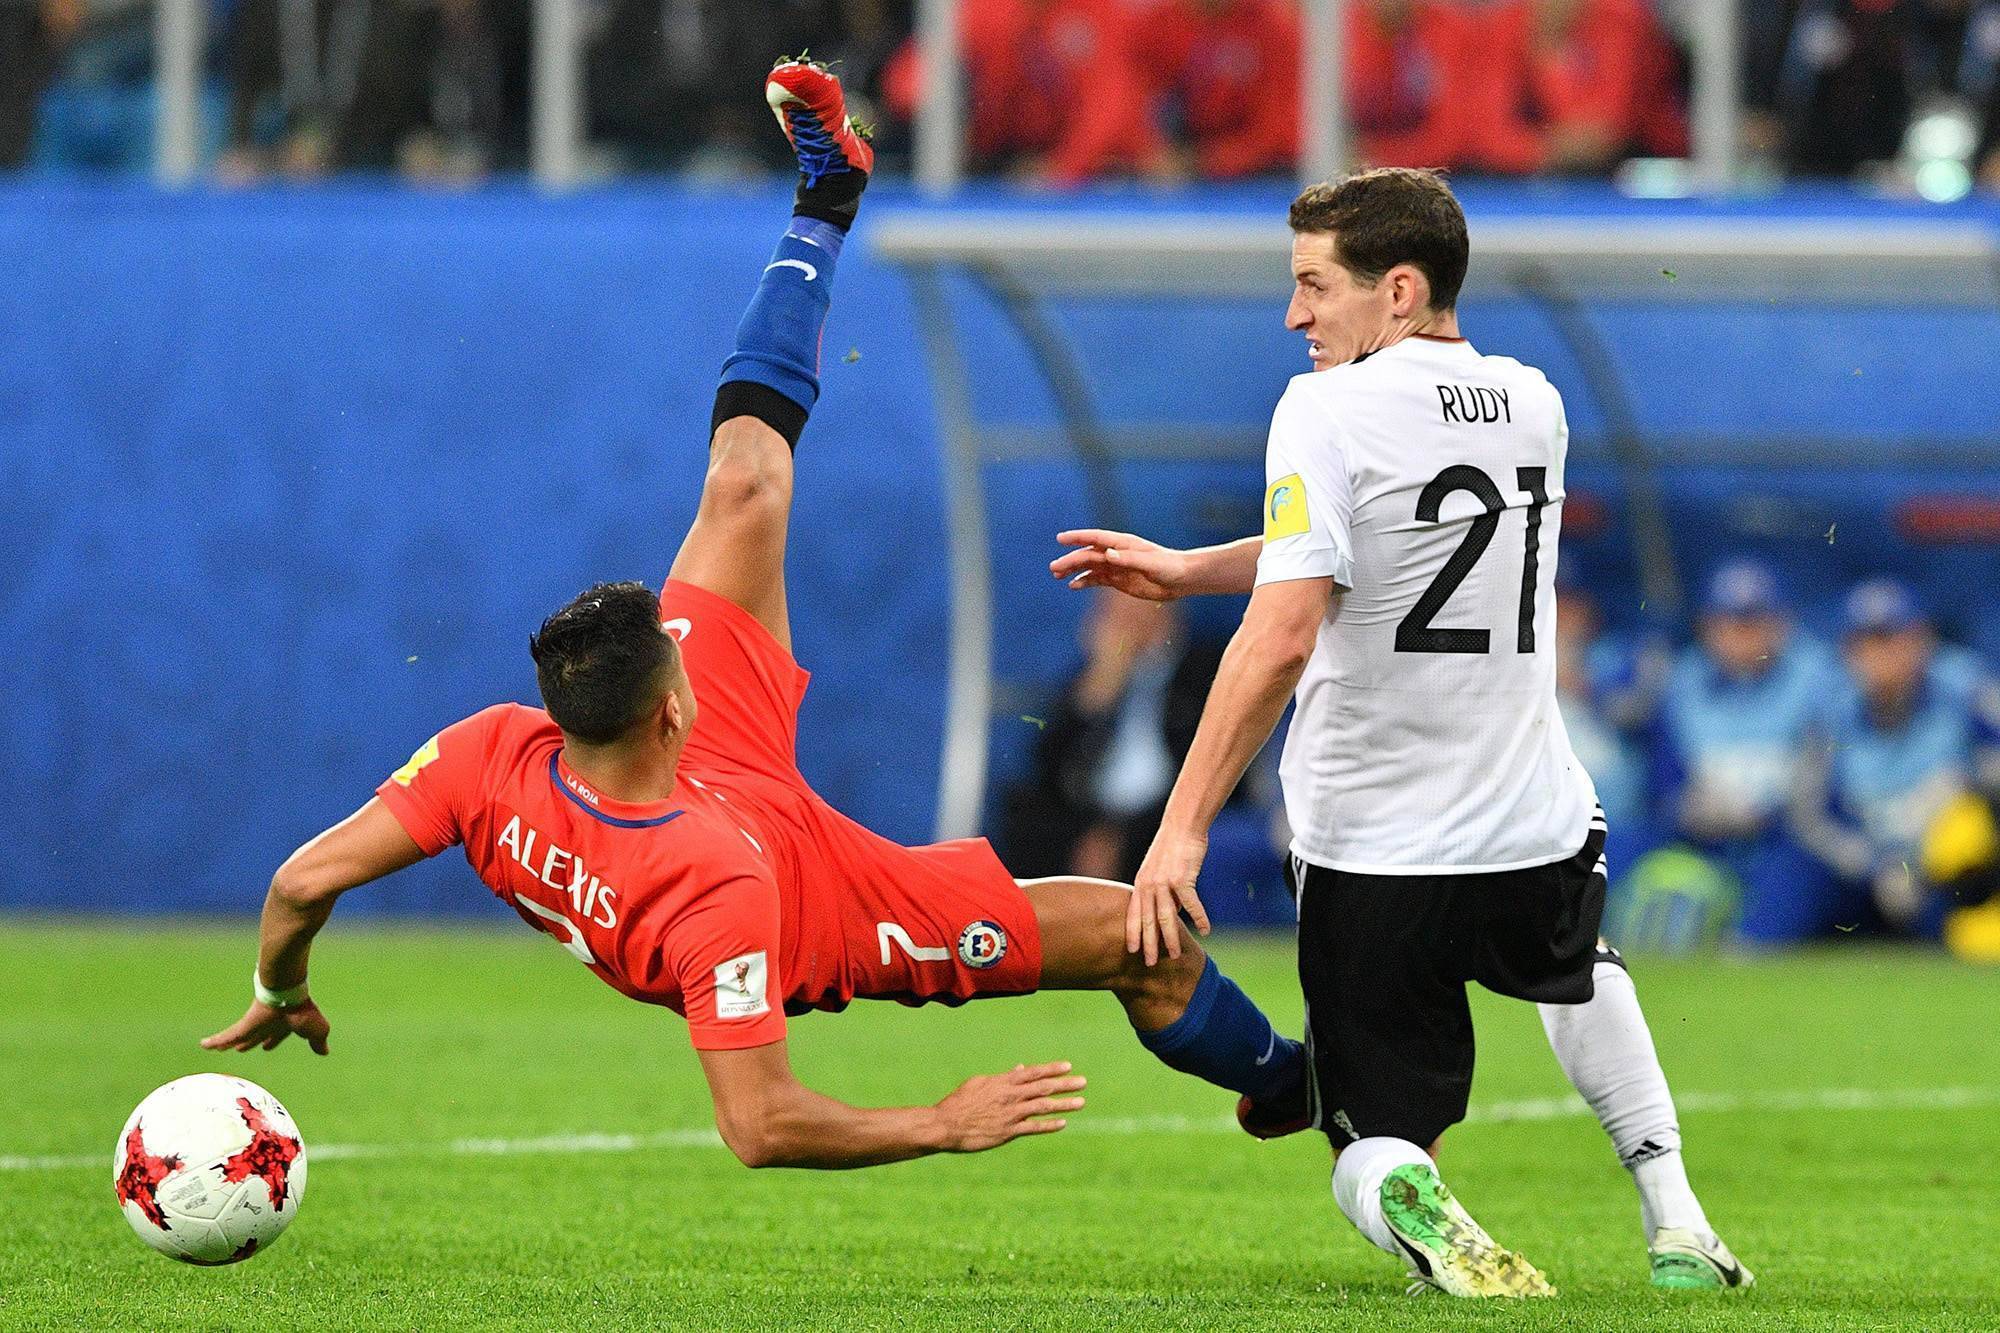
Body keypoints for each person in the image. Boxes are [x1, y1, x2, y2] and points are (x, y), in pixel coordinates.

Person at [201, 59, 1307, 1170]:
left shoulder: (493, 753)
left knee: (741, 482)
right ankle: (1292, 1084)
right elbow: (760, 1123)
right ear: (669, 705)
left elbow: (302, 880)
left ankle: (827, 199)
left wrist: (277, 986)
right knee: (1136, 937)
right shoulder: (712, 891)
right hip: (813, 898)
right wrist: (943, 1120)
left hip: (709, 782)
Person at [1050, 169, 1750, 1296]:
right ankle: (1678, 1221)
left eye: (1313, 286)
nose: (1294, 316)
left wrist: (1177, 829)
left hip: (1373, 841)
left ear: (1400, 290)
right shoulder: (1534, 401)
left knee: (1364, 1130)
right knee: (1573, 971)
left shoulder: (1319, 410)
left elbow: (1283, 632)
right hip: (1531, 815)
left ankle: (1419, 1202)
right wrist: (1192, 571)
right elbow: (1396, 530)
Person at [1790, 577, 2000, 939]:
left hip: (1947, 868)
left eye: (1893, 639)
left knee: (1965, 834)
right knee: (1795, 875)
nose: (1882, 656)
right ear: (1849, 650)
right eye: (1868, 643)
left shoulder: (1964, 687)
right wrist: (1874, 866)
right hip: (1864, 866)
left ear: (1922, 639)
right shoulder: (1829, 707)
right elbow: (1806, 816)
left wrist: (1968, 781)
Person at [1652, 559, 1840, 946]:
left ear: (1781, 623)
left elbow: (1834, 781)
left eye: (1754, 622)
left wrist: (1770, 811)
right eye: (1731, 622)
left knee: (1800, 865)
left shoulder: (1817, 676)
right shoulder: (1684, 683)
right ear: (1708, 627)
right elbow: (1664, 785)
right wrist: (1693, 809)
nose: (1743, 635)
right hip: (1709, 842)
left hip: (1787, 838)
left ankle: (1748, 946)